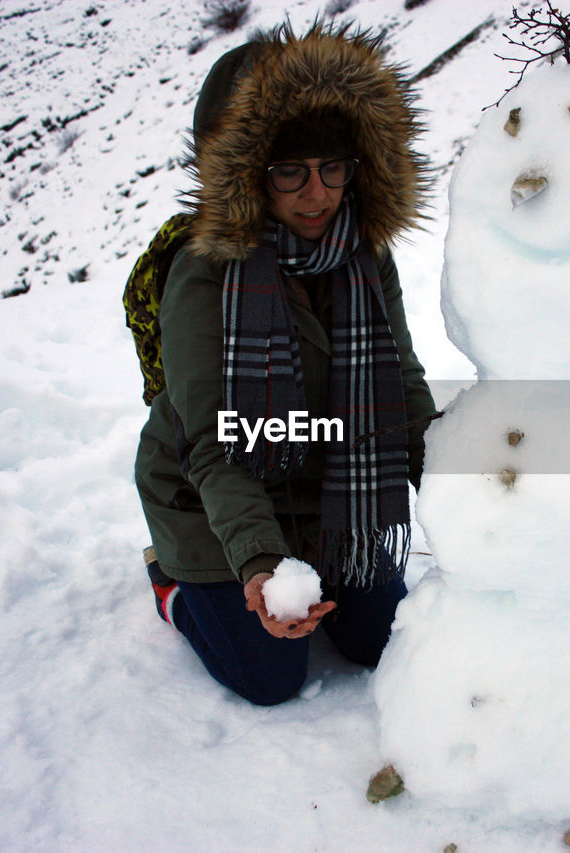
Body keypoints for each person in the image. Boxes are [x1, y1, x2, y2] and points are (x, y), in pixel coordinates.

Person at [133, 23, 437, 707]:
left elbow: (404, 386)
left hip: (328, 489)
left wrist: (464, 493)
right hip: (207, 495)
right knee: (269, 678)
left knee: (383, 640)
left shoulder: (364, 257)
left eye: (333, 168)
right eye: (289, 171)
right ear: (245, 172)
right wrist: (262, 564)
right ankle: (171, 583)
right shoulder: (205, 276)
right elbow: (213, 444)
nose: (317, 195)